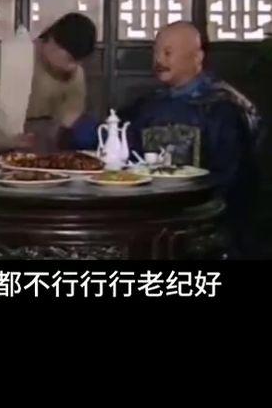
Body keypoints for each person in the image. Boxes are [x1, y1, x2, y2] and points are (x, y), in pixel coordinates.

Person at [73, 21, 262, 255]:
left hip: (203, 223)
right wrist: (77, 127)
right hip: (146, 217)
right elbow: (114, 143)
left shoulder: (225, 108)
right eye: (155, 52)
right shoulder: (149, 104)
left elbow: (234, 180)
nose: (158, 60)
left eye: (167, 53)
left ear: (197, 57)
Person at [0, 13, 97, 157]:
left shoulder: (75, 73)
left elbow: (72, 110)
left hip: (47, 152)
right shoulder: (2, 60)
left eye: (79, 62)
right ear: (52, 41)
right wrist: (5, 142)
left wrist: (62, 131)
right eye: (70, 59)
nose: (73, 67)